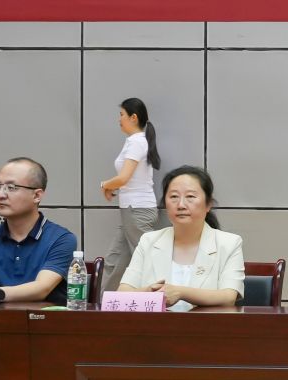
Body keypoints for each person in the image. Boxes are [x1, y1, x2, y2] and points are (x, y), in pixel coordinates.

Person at [118, 165, 246, 308]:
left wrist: (181, 293)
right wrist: (149, 292)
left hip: (207, 322)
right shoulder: (149, 240)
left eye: (190, 196)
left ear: (208, 204)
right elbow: (122, 294)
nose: (181, 205)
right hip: (155, 322)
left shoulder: (229, 243)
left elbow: (228, 297)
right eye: (174, 197)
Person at [0, 158, 79, 303]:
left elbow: (42, 288)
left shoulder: (61, 239)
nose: (0, 195)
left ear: (37, 195)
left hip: (41, 317)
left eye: (11, 187)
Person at [99, 97, 161, 290]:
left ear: (133, 117)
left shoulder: (137, 142)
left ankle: (160, 301)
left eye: (122, 115)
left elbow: (124, 178)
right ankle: (106, 303)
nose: (119, 119)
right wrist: (111, 186)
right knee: (115, 260)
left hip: (137, 211)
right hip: (132, 211)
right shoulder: (135, 141)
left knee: (148, 263)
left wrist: (105, 185)